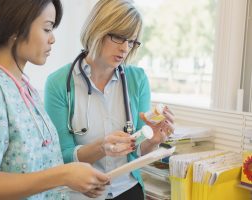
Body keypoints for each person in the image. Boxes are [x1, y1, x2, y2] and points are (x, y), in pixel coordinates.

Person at [0, 0, 111, 199]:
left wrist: (71, 182)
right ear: (15, 29)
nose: (52, 39)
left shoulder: (24, 88)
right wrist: (63, 175)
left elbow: (33, 171)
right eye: (47, 29)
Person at [44, 0, 175, 199]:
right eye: (119, 37)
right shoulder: (58, 84)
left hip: (127, 190)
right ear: (98, 29)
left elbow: (138, 148)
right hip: (82, 194)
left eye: (131, 42)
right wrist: (101, 148)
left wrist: (152, 141)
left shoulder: (137, 80)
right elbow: (62, 155)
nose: (125, 48)